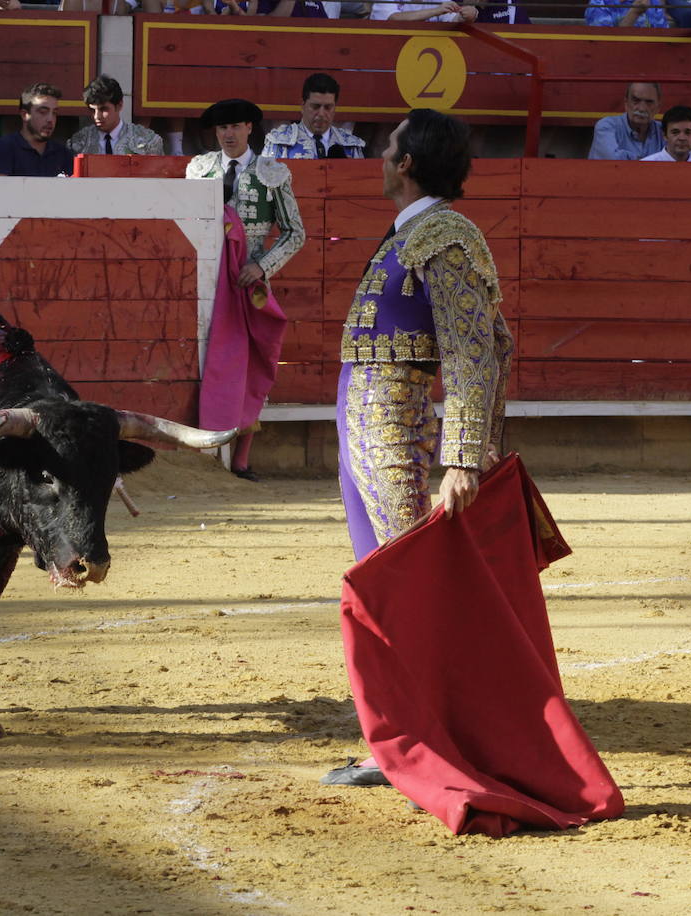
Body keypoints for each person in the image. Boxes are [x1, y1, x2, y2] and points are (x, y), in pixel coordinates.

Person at [322, 109, 513, 787]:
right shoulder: (415, 232)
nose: (379, 151)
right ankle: (399, 744)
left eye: (389, 145)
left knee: (404, 588)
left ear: (407, 163)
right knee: (382, 582)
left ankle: (424, 747)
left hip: (396, 427)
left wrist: (465, 453)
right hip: (369, 422)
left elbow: (478, 349)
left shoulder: (444, 235)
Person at [187, 98, 305, 482]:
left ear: (250, 128)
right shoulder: (199, 169)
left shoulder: (273, 172)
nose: (228, 134)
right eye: (222, 128)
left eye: (235, 126)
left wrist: (261, 266)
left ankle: (240, 460)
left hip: (249, 284)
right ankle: (205, 452)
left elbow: (295, 233)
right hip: (206, 283)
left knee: (250, 364)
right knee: (210, 361)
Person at [262, 73, 365, 161]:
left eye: (328, 107)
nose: (321, 113)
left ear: (335, 109)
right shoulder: (279, 142)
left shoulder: (351, 146)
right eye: (315, 106)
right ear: (303, 107)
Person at [66, 75, 163, 157]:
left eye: (103, 109)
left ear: (119, 106)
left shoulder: (148, 141)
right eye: (92, 110)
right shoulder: (78, 143)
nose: (96, 116)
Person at [0, 83, 73, 177]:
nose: (50, 119)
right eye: (43, 112)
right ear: (25, 115)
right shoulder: (4, 148)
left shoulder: (62, 153)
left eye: (54, 113)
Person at [588, 82, 664, 161]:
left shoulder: (662, 130)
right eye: (636, 100)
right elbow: (612, 158)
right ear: (626, 103)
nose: (642, 108)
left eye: (649, 102)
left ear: (658, 107)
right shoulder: (606, 126)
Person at [584, 0, 672, 26]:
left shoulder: (654, 3)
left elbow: (662, 42)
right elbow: (605, 48)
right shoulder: (599, 4)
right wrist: (634, 13)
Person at [371, 0, 478, 21]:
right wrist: (435, 11)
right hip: (387, 56)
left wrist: (466, 16)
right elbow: (393, 18)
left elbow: (454, 19)